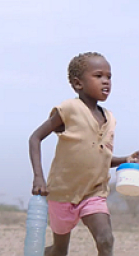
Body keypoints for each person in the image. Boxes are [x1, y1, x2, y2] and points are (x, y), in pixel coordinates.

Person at [29, 52, 139, 256]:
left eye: (109, 76)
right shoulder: (69, 109)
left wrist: (125, 159)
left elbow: (101, 158)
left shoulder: (110, 119)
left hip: (93, 193)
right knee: (60, 251)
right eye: (98, 76)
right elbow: (35, 138)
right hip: (62, 193)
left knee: (106, 240)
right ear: (78, 83)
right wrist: (38, 177)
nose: (106, 81)